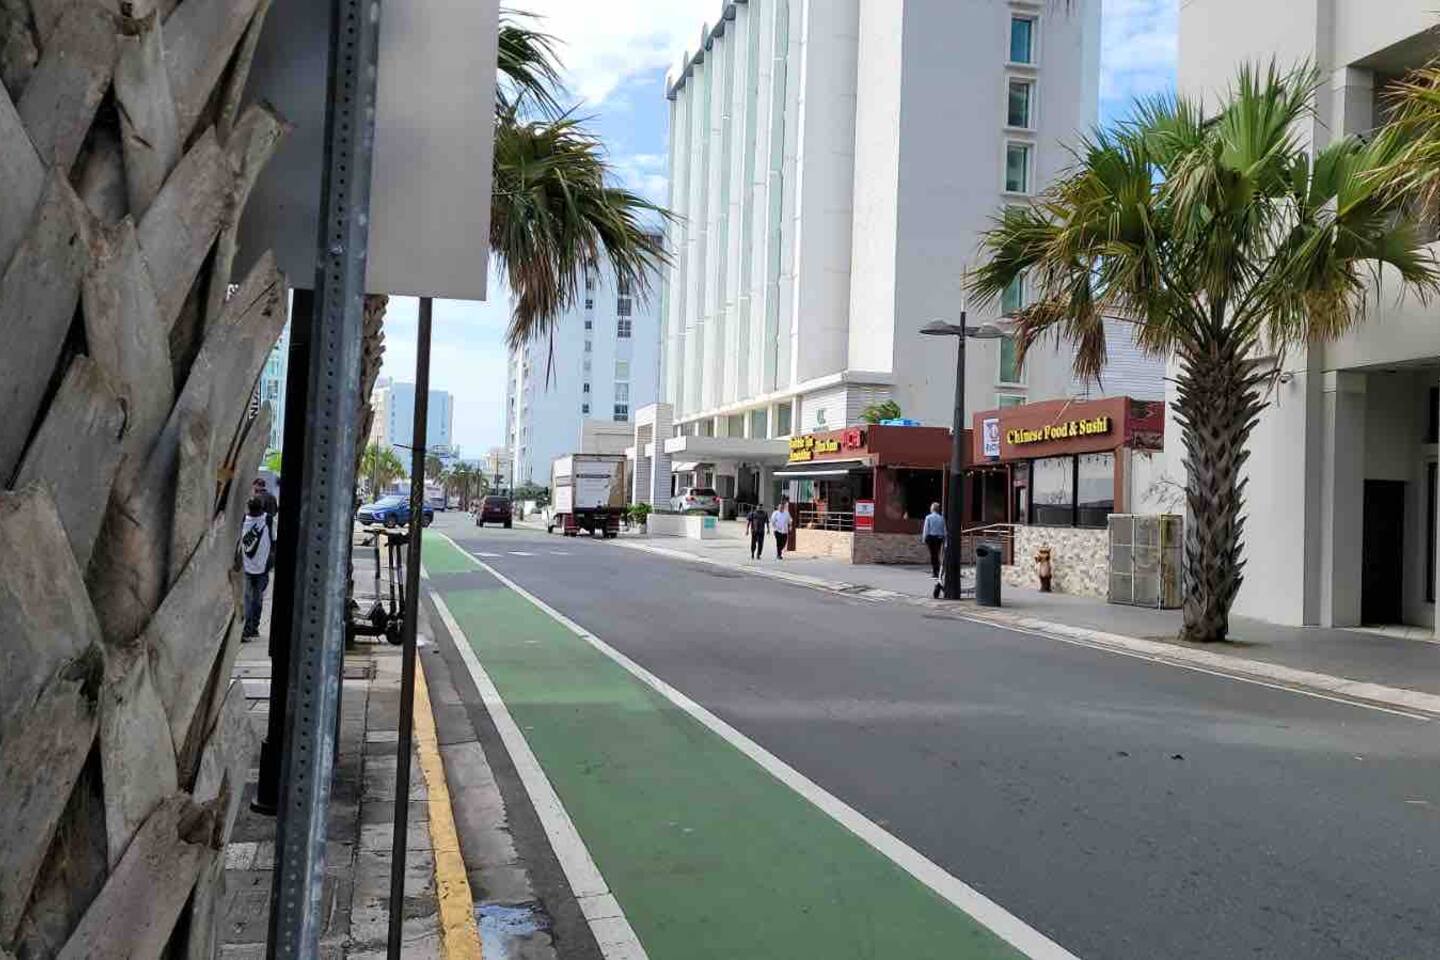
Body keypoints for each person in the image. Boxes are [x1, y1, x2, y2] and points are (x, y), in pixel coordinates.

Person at [239, 496, 274, 640]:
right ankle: (248, 628)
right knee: (250, 599)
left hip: (261, 567)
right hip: (248, 567)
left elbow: (274, 541)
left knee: (256, 600)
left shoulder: (268, 520)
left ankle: (253, 627)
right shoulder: (244, 520)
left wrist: (270, 561)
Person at [921, 501, 946, 580]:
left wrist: (924, 538)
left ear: (932, 509)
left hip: (931, 537)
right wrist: (945, 538)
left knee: (933, 555)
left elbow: (926, 529)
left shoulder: (928, 517)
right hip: (939, 538)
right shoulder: (941, 518)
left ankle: (935, 572)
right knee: (937, 553)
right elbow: (944, 529)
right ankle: (938, 571)